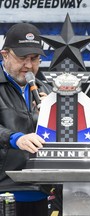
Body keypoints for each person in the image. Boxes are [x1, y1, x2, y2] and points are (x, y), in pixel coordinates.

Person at [0, 23, 52, 216]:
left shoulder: (45, 90)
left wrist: (55, 115)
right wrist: (15, 138)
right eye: (22, 58)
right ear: (4, 55)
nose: (29, 66)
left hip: (42, 192)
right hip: (4, 190)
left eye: (35, 58)